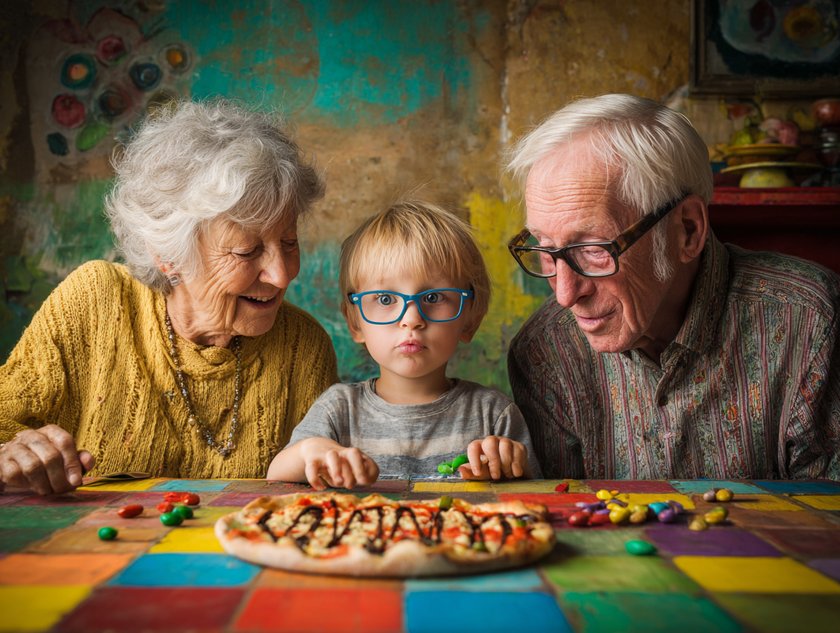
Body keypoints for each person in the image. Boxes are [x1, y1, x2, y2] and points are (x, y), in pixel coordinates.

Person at [0, 99, 338, 495]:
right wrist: (12, 453)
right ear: (168, 256)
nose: (282, 274)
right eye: (246, 252)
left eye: (290, 242)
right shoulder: (96, 302)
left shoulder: (304, 347)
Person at [505, 93, 840, 481]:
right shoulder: (545, 351)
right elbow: (562, 510)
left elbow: (826, 513)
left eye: (594, 249)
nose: (565, 294)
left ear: (687, 230)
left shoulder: (811, 322)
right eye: (545, 249)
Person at [267, 200, 542, 489]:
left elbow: (538, 491)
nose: (411, 320)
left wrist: (512, 465)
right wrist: (311, 452)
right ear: (355, 322)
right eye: (385, 299)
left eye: (433, 298)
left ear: (470, 318)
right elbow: (277, 474)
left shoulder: (494, 414)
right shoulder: (338, 410)